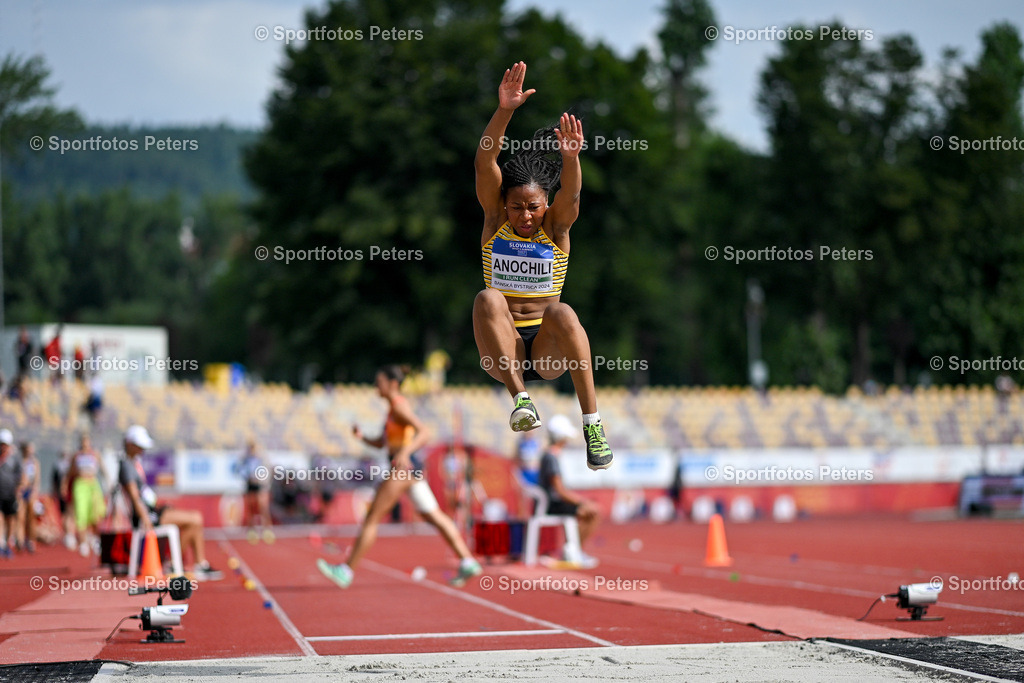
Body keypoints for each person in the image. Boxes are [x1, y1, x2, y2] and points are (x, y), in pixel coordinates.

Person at [472, 61, 613, 471]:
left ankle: (593, 425)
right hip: (504, 352)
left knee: (562, 311)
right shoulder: (495, 222)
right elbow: (485, 164)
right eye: (516, 207)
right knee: (487, 298)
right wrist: (505, 111)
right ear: (505, 206)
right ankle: (520, 401)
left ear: (544, 205)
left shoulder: (557, 226)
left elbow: (572, 193)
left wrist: (572, 159)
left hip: (547, 354)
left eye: (532, 207)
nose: (525, 216)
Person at [318, 365, 482, 588]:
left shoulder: (399, 407)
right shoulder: (392, 410)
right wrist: (362, 437)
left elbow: (424, 432)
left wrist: (405, 451)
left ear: (392, 384)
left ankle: (346, 571)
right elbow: (383, 442)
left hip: (403, 469)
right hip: (411, 470)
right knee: (434, 517)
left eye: (380, 381)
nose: (376, 385)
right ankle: (467, 560)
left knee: (371, 519)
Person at [118, 425, 223, 580]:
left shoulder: (132, 463)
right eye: (139, 446)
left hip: (151, 511)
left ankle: (195, 563)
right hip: (146, 516)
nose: (143, 450)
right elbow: (135, 497)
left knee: (194, 519)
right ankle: (184, 564)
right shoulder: (127, 466)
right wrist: (145, 518)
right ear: (130, 444)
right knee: (195, 519)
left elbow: (144, 495)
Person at [538, 415, 600, 568]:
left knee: (591, 510)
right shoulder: (551, 457)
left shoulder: (551, 455)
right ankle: (574, 551)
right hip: (552, 504)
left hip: (553, 502)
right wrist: (582, 501)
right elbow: (559, 490)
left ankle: (573, 550)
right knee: (594, 511)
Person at [67, 433, 107, 556]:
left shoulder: (95, 454)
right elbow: (71, 471)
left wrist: (109, 481)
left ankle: (95, 538)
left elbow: (103, 469)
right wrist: (65, 485)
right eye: (83, 441)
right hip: (81, 485)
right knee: (81, 513)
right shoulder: (77, 456)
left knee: (96, 513)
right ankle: (83, 542)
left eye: (87, 441)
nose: (85, 444)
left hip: (93, 484)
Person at [239, 440, 272, 543]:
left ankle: (267, 529)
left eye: (253, 447)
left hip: (259, 484)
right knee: (251, 507)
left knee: (262, 507)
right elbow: (241, 470)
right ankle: (252, 530)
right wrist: (247, 478)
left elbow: (267, 470)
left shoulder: (260, 458)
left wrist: (262, 480)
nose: (252, 449)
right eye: (251, 447)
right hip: (250, 485)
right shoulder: (246, 459)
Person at [0, 430, 22, 559]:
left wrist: (19, 489)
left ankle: (8, 544)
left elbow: (21, 475)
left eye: (5, 444)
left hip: (10, 494)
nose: (3, 446)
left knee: (10, 520)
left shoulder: (14, 458)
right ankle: (0, 544)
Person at [16, 441, 39, 553]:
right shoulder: (19, 462)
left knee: (31, 517)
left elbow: (36, 479)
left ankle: (30, 540)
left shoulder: (34, 463)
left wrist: (34, 491)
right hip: (21, 490)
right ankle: (20, 540)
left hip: (30, 491)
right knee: (20, 517)